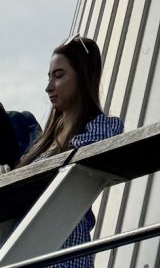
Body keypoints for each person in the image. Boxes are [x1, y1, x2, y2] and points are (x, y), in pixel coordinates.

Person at [18, 39, 123, 249]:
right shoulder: (44, 142)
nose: (49, 87)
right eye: (49, 77)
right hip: (29, 250)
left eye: (58, 76)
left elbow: (86, 154)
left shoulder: (101, 127)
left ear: (82, 77)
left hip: (64, 250)